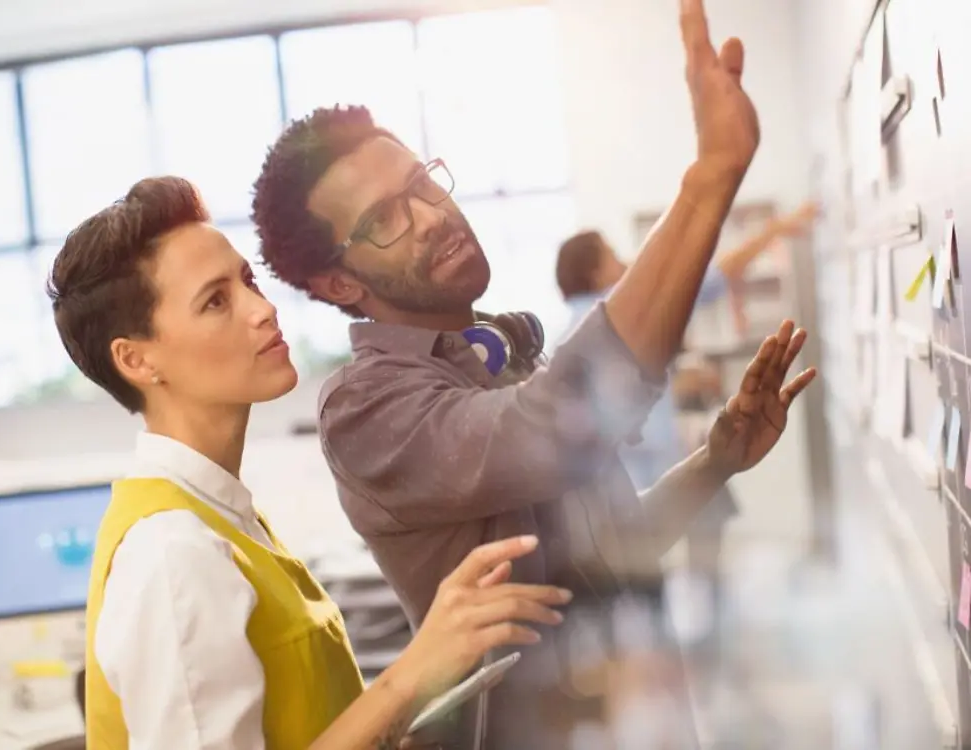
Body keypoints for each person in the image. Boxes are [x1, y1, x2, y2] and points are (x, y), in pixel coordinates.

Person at [249, 1, 816, 746]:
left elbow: (611, 551)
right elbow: (553, 430)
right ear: (339, 284)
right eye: (384, 219)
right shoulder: (368, 412)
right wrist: (710, 177)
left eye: (422, 183)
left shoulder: (499, 351)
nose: (430, 216)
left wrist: (715, 461)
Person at [49, 176, 573, 750]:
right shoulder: (175, 552)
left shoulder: (219, 517)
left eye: (247, 281)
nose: (263, 309)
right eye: (216, 301)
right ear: (137, 359)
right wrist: (410, 674)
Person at [554, 206, 818, 606]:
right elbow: (708, 280)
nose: (624, 261)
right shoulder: (612, 311)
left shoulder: (571, 330)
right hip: (646, 482)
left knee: (671, 555)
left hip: (618, 486)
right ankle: (711, 622)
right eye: (611, 255)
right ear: (593, 273)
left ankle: (705, 616)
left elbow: (614, 396)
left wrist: (679, 382)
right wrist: (774, 230)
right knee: (698, 525)